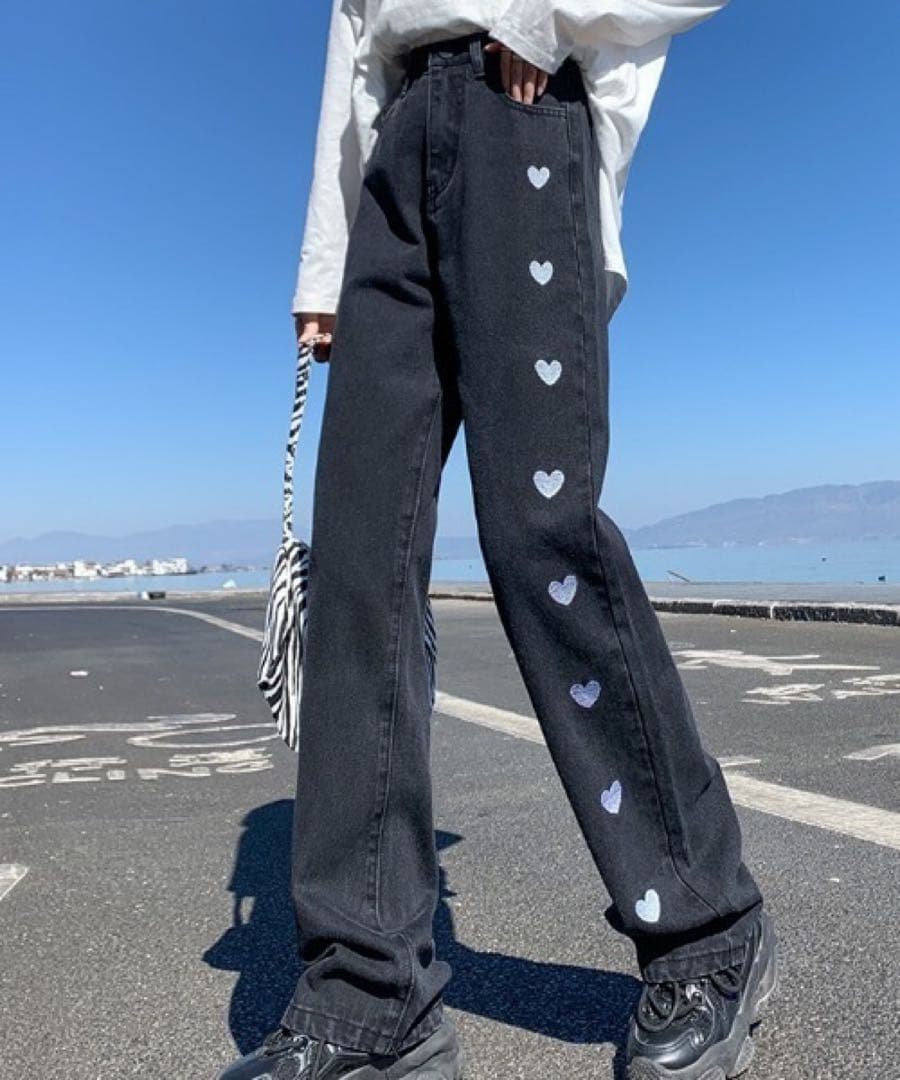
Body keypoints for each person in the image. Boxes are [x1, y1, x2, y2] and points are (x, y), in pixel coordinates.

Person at [218, 3, 778, 1078]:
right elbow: (353, 41)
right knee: (357, 566)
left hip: (518, 108)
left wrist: (540, 13)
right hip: (391, 165)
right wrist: (323, 264)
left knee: (539, 540)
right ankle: (368, 999)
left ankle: (708, 929)